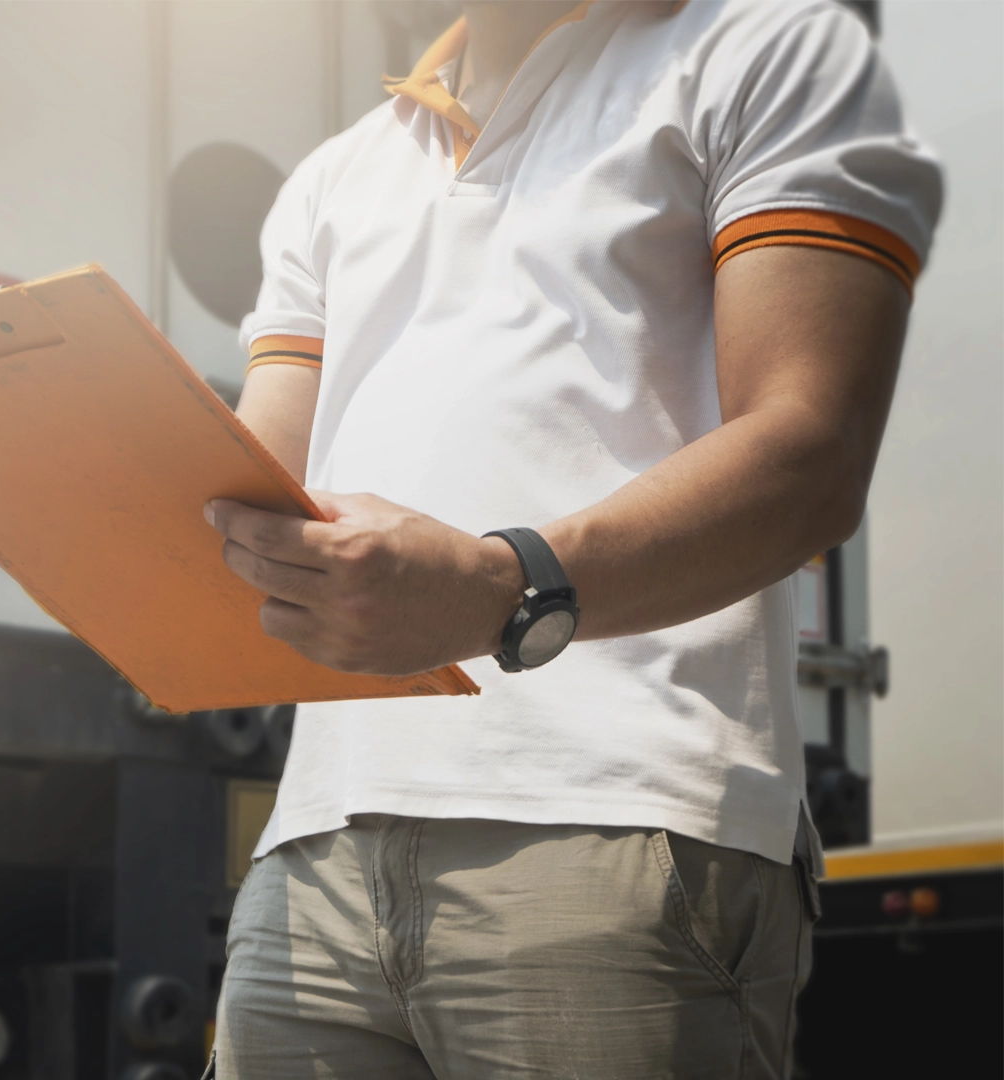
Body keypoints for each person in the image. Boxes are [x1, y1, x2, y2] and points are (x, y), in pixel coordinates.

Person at [204, 0, 940, 1076]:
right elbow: (246, 493)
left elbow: (811, 452)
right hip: (318, 850)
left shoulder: (769, 54)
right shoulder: (335, 176)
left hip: (617, 823)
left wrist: (502, 587)